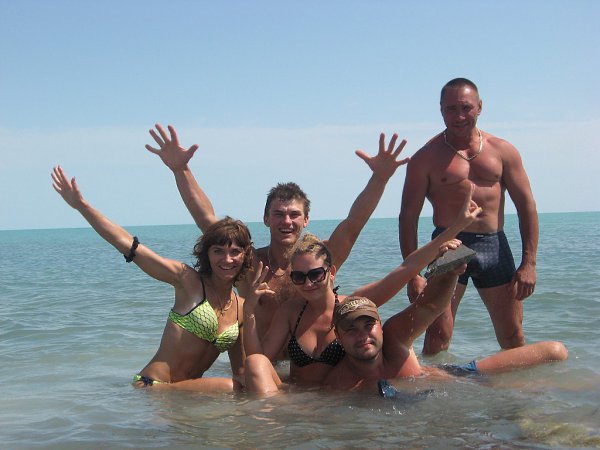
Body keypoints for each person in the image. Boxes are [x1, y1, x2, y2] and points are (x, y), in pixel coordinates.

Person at [146, 124, 409, 343]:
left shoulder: (323, 258)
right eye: (279, 214)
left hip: (312, 366)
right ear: (266, 219)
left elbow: (353, 224)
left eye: (294, 214)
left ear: (306, 220)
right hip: (267, 365)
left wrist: (380, 178)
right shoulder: (250, 264)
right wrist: (181, 170)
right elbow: (207, 221)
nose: (287, 221)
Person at [243, 186, 483, 393]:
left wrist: (455, 228)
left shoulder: (351, 305)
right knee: (253, 364)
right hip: (305, 398)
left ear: (331, 272)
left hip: (341, 396)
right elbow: (260, 359)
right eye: (299, 277)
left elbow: (405, 269)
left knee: (422, 356)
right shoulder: (290, 312)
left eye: (316, 275)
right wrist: (249, 311)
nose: (308, 283)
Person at [51, 166, 252, 390]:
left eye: (235, 252)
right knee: (230, 388)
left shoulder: (240, 308)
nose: (227, 259)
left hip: (183, 395)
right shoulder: (187, 280)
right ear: (207, 254)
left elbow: (241, 370)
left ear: (245, 256)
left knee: (242, 387)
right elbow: (129, 246)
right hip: (152, 386)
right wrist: (82, 206)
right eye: (218, 251)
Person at [399, 77, 539, 355]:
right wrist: (412, 274)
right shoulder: (425, 158)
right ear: (441, 110)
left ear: (480, 107)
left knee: (513, 335)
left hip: (493, 245)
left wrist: (529, 263)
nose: (459, 116)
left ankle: (514, 386)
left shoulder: (503, 151)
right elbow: (408, 217)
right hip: (448, 245)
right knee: (438, 335)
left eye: (466, 107)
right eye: (451, 109)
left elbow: (527, 207)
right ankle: (436, 384)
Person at [324, 275, 567, 395]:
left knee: (556, 351)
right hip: (441, 397)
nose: (363, 335)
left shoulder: (395, 341)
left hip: (459, 374)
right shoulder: (341, 383)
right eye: (351, 329)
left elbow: (430, 306)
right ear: (339, 336)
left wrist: (453, 271)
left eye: (368, 325)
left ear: (379, 325)